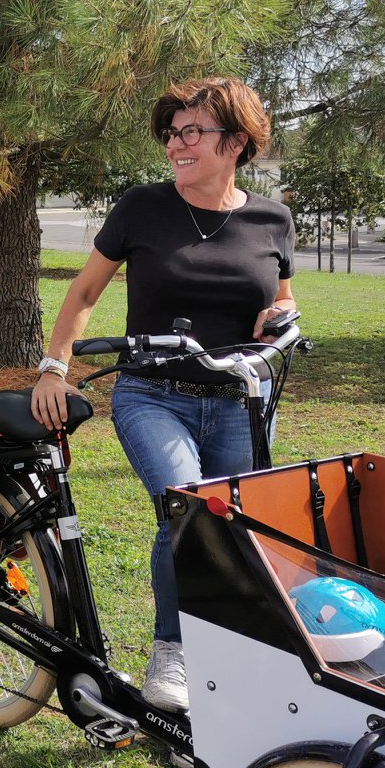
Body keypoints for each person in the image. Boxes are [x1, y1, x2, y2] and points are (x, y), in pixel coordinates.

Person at [30, 76, 297, 713]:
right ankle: (172, 654)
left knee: (240, 530)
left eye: (192, 133)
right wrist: (52, 368)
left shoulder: (272, 219)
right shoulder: (142, 208)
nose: (176, 145)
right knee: (187, 511)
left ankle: (231, 656)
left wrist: (280, 317)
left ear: (235, 143)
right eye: (172, 134)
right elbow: (86, 292)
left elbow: (284, 298)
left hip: (240, 399)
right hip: (154, 395)